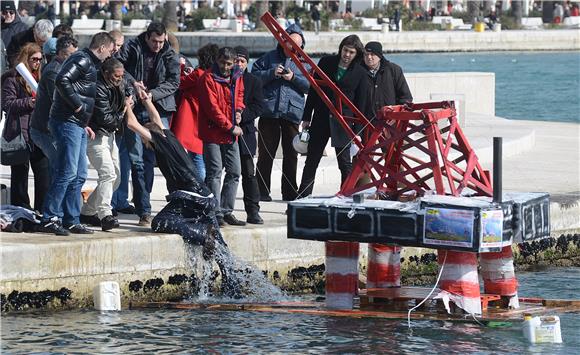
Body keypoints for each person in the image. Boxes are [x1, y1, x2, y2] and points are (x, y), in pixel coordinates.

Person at [37, 32, 115, 236]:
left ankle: (72, 219)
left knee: (80, 173)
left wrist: (83, 121)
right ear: (102, 47)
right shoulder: (81, 59)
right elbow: (62, 80)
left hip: (77, 125)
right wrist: (78, 106)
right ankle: (50, 217)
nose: (111, 54)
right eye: (110, 50)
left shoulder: (91, 62)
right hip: (66, 122)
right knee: (67, 171)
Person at [116, 22, 180, 226]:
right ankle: (144, 209)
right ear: (147, 37)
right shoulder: (133, 46)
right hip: (134, 106)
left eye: (161, 41)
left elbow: (173, 82)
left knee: (155, 158)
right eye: (154, 41)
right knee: (136, 160)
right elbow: (117, 67)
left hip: (156, 108)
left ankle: (154, 200)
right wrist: (133, 84)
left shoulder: (169, 53)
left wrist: (152, 95)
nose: (158, 45)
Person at [297, 35, 369, 198]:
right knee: (311, 162)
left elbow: (361, 103)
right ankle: (303, 197)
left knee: (344, 164)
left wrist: (357, 131)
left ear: (356, 54)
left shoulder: (361, 72)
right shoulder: (326, 62)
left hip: (344, 122)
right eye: (345, 50)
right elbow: (314, 91)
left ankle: (345, 197)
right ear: (340, 49)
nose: (347, 55)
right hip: (321, 118)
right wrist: (306, 117)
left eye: (351, 52)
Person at [251, 23, 310, 202]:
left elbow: (311, 87)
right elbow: (253, 78)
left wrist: (293, 78)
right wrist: (271, 73)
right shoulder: (268, 58)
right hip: (269, 113)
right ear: (283, 42)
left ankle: (290, 192)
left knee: (291, 155)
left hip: (292, 114)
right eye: (289, 43)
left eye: (296, 45)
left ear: (301, 46)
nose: (292, 47)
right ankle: (261, 191)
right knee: (265, 154)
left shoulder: (305, 63)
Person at [198, 47, 245, 227]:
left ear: (234, 63)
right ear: (217, 61)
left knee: (234, 171)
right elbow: (212, 108)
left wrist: (239, 110)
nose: (225, 67)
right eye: (222, 63)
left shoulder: (237, 76)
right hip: (213, 131)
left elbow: (239, 95)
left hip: (231, 131)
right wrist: (230, 126)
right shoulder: (207, 78)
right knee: (215, 172)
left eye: (229, 64)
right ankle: (214, 212)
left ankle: (227, 211)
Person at [80, 58, 129, 231]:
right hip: (96, 136)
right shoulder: (98, 88)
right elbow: (106, 119)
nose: (119, 80)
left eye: (121, 76)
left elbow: (128, 87)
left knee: (115, 178)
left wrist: (131, 93)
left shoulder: (119, 82)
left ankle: (87, 211)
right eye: (116, 77)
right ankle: (105, 215)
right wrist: (124, 109)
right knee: (107, 173)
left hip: (110, 137)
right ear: (106, 73)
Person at [1, 43, 49, 212]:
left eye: (40, 59)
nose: (37, 63)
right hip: (19, 133)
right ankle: (20, 210)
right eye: (34, 59)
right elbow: (7, 104)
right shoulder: (12, 78)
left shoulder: (41, 77)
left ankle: (43, 210)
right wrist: (30, 102)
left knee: (44, 173)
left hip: (38, 132)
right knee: (20, 176)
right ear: (26, 59)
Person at [171, 43, 219, 183]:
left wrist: (180, 67)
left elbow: (180, 83)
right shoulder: (213, 75)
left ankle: (200, 187)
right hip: (205, 120)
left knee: (196, 157)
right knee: (201, 155)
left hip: (191, 118)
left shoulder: (198, 74)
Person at [234, 46, 265, 224]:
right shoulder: (226, 78)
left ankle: (253, 210)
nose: (239, 64)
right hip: (226, 131)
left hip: (246, 132)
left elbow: (258, 106)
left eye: (242, 61)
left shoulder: (254, 81)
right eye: (236, 60)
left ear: (247, 63)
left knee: (249, 173)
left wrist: (243, 115)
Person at [108, 29, 136, 216]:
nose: (117, 49)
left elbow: (128, 79)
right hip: (110, 118)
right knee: (111, 163)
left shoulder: (121, 61)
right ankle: (110, 201)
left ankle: (121, 199)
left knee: (123, 161)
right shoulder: (104, 63)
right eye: (116, 45)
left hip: (123, 117)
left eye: (120, 45)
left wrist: (131, 94)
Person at [362, 41, 412, 122]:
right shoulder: (358, 71)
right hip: (366, 123)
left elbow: (405, 98)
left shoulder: (394, 70)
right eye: (366, 54)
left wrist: (397, 118)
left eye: (372, 54)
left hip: (391, 122)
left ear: (380, 55)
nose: (369, 57)